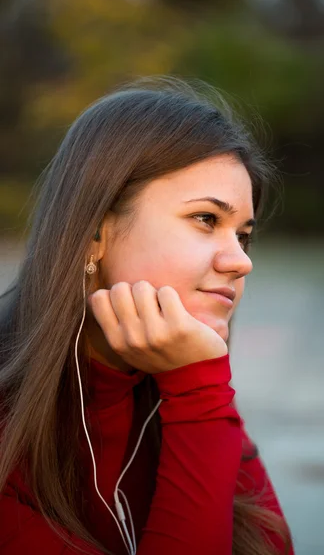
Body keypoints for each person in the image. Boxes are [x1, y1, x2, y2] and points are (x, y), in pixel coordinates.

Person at [0, 77, 294, 555]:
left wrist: (198, 392)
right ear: (94, 232)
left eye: (243, 235)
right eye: (206, 219)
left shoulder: (188, 385)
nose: (241, 261)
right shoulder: (11, 426)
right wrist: (199, 391)